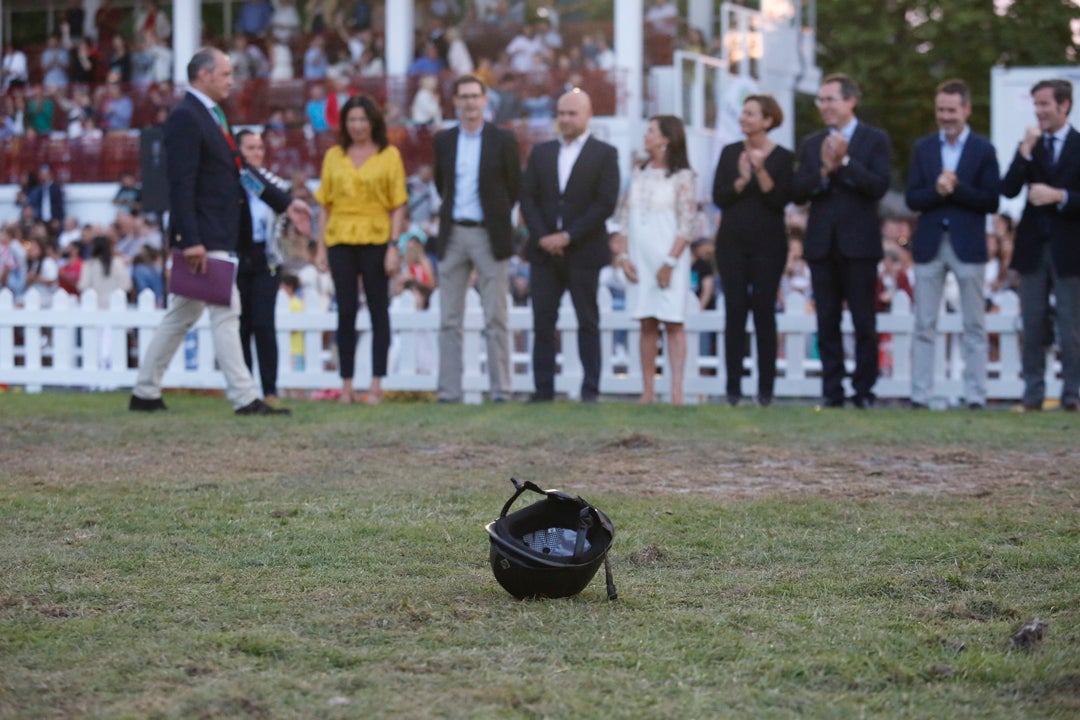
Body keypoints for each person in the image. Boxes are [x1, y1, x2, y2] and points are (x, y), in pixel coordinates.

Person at [129, 47, 310, 416]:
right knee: (227, 311)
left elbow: (240, 170)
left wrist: (284, 202)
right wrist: (191, 239)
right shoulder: (186, 117)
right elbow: (180, 182)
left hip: (214, 233)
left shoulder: (212, 115)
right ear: (204, 75)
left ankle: (145, 391)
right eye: (226, 74)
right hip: (205, 235)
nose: (231, 80)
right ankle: (245, 397)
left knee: (182, 315)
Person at [792, 73, 892, 408]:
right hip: (822, 243)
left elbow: (877, 186)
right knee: (827, 321)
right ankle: (832, 391)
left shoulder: (874, 139)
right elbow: (799, 191)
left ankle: (864, 391)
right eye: (821, 100)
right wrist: (823, 170)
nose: (824, 107)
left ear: (850, 100)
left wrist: (845, 163)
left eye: (830, 99)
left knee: (864, 320)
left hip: (859, 244)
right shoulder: (811, 143)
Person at [905, 79, 1001, 410]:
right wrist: (938, 190)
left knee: (974, 324)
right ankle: (920, 395)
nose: (945, 116)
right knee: (924, 323)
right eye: (940, 110)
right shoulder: (924, 148)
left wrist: (956, 189)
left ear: (966, 109)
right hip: (930, 243)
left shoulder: (983, 150)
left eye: (951, 110)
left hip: (968, 244)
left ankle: (976, 395)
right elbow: (913, 197)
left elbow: (991, 200)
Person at [519, 88, 619, 402]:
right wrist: (543, 236)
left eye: (572, 113)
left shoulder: (604, 153)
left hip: (584, 252)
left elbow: (605, 204)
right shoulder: (541, 152)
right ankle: (543, 389)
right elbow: (528, 199)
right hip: (544, 253)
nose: (565, 119)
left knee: (587, 321)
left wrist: (568, 236)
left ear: (587, 115)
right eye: (561, 113)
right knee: (543, 322)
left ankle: (590, 390)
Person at [431, 74, 521, 403]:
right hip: (453, 232)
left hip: (489, 234)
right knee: (449, 318)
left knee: (496, 316)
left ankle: (501, 390)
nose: (469, 102)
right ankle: (449, 392)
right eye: (463, 97)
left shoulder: (503, 140)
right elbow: (443, 185)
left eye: (475, 96)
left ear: (485, 100)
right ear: (455, 102)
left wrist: (496, 216)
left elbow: (513, 188)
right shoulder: (444, 141)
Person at [313, 95, 408, 405]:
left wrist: (394, 246)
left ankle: (377, 385)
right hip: (340, 237)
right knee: (345, 311)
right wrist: (321, 246)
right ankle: (347, 385)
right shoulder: (333, 156)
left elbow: (398, 204)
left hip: (377, 238)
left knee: (379, 310)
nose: (357, 126)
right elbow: (324, 205)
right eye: (351, 120)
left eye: (362, 120)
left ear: (373, 122)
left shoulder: (389, 155)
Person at [1001, 78, 1080, 412]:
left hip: (1069, 250)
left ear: (1064, 105)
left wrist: (1060, 196)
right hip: (1033, 249)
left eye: (1044, 104)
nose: (1039, 111)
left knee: (1070, 327)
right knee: (1031, 324)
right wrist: (1023, 151)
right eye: (1036, 105)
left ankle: (1072, 394)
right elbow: (1007, 189)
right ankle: (1033, 393)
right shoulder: (1030, 145)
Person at [712, 94, 794, 406]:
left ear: (767, 120)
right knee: (734, 311)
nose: (743, 118)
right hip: (732, 242)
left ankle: (765, 390)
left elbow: (780, 200)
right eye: (743, 113)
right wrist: (741, 180)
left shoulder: (784, 158)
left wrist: (760, 172)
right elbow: (719, 196)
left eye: (750, 114)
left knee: (763, 312)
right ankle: (733, 389)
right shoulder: (730, 152)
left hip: (769, 244)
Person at [611, 115, 697, 405]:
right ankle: (648, 390)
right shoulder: (638, 173)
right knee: (646, 321)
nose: (645, 136)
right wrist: (623, 255)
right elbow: (623, 219)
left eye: (651, 131)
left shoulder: (683, 176)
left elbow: (687, 224)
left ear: (666, 138)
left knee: (673, 322)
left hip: (668, 256)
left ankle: (676, 391)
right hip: (639, 257)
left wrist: (670, 262)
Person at [236, 129, 290, 403]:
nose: (256, 153)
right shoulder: (231, 183)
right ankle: (246, 390)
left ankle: (270, 389)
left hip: (266, 258)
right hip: (239, 257)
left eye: (259, 148)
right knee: (241, 325)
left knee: (264, 323)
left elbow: (284, 207)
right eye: (250, 148)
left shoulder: (274, 183)